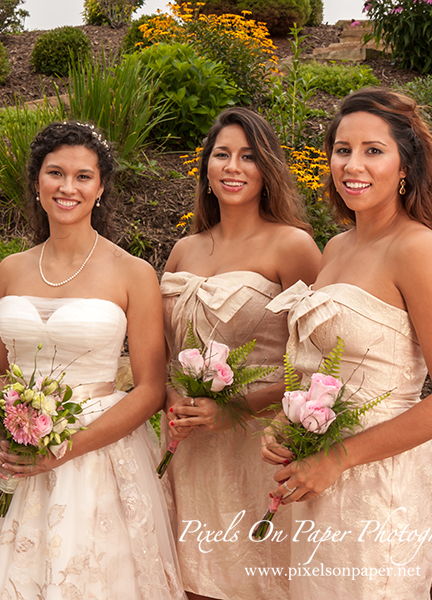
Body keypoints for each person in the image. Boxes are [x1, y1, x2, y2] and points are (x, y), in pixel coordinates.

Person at [0, 121, 185, 599]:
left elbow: (149, 388)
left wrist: (65, 448)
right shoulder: (11, 267)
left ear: (101, 187)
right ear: (37, 183)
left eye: (83, 176)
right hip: (11, 453)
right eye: (55, 173)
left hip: (96, 456)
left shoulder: (134, 272)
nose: (68, 187)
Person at [261, 89, 432, 598]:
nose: (352, 164)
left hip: (381, 488)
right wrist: (288, 420)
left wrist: (336, 459)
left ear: (406, 165)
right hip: (315, 485)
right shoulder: (336, 247)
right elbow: (323, 365)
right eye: (342, 149)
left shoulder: (417, 248)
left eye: (373, 150)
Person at [160, 107, 321, 600]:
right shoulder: (184, 250)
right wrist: (174, 396)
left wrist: (232, 409)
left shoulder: (292, 245)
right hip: (189, 448)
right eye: (222, 155)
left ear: (266, 167)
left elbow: (320, 363)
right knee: (192, 580)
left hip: (257, 441)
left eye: (248, 156)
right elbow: (167, 352)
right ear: (206, 168)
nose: (233, 166)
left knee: (257, 580)